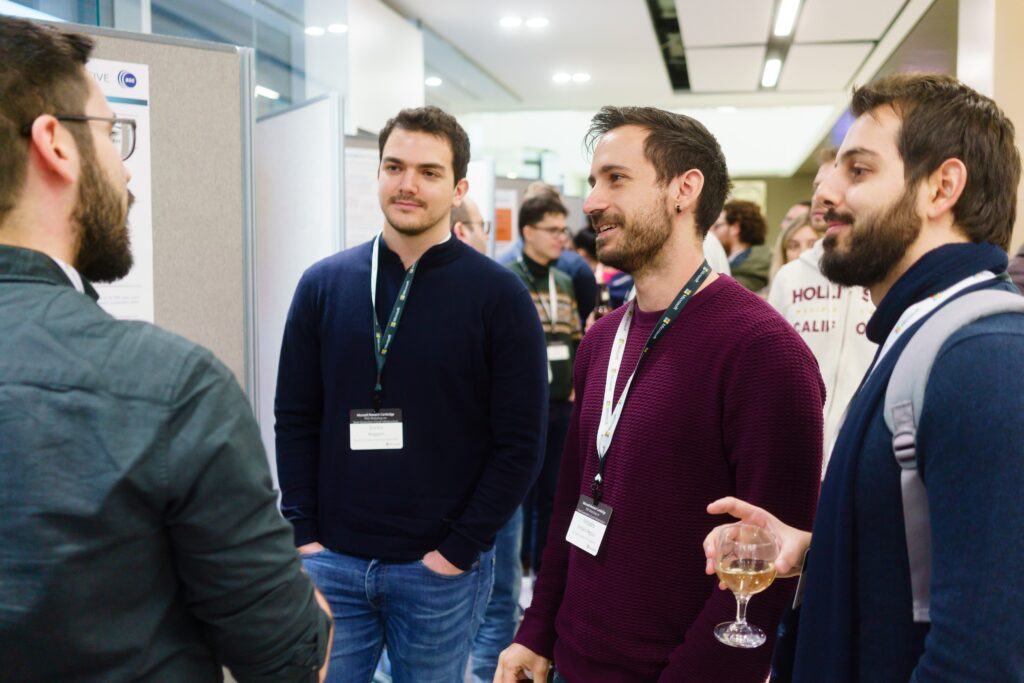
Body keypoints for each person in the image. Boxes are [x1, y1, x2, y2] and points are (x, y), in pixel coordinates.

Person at [0, 16, 333, 682]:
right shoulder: (171, 387)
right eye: (110, 134)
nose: (123, 170)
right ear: (55, 145)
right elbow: (289, 657)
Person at [706, 73, 1024, 683]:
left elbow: (982, 654)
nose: (824, 191)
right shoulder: (916, 329)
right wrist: (815, 549)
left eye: (857, 170)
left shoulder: (984, 356)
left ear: (942, 187)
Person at [496, 106, 824, 682]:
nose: (592, 201)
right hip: (572, 660)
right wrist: (537, 629)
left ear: (684, 189)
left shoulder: (765, 352)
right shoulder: (599, 341)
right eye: (593, 181)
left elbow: (766, 574)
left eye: (616, 179)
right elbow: (573, 503)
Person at [275, 105, 548, 683]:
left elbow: (520, 442)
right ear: (376, 174)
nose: (407, 184)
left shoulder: (498, 297)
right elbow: (295, 417)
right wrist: (304, 534)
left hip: (437, 573)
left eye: (428, 172)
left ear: (458, 188)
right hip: (334, 565)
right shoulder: (323, 285)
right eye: (394, 166)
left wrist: (458, 550)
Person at [768, 147, 876, 462]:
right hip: (797, 449)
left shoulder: (884, 273)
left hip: (862, 453)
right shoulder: (791, 276)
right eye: (817, 186)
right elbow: (773, 368)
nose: (822, 196)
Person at [498, 183, 597, 326]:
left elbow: (578, 332)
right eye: (552, 230)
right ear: (528, 230)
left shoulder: (568, 277)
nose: (562, 238)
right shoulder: (505, 275)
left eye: (562, 230)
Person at [712, 199, 772, 291]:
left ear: (735, 228)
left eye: (717, 226)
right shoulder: (759, 265)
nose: (711, 233)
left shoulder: (746, 274)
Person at [768, 212, 822, 281]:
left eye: (813, 245)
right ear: (783, 254)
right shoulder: (771, 291)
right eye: (794, 246)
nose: (802, 253)